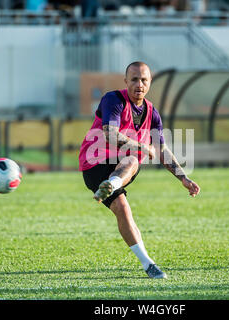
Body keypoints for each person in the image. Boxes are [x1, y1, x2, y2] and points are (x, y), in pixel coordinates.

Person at [78, 61, 201, 278]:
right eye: (134, 79)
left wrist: (183, 178)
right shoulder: (113, 99)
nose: (139, 84)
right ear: (126, 81)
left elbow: (162, 150)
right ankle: (111, 184)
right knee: (136, 155)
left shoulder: (152, 113)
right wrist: (141, 146)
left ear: (150, 82)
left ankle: (148, 264)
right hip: (94, 164)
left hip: (120, 169)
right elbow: (110, 134)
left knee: (123, 208)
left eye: (144, 79)